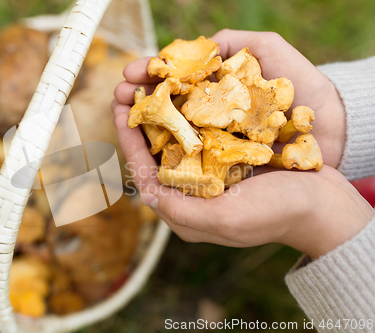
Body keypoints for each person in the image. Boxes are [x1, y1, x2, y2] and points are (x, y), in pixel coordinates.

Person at [112, 29, 375, 329]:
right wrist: (343, 116)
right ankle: (361, 189)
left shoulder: (251, 109)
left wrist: (324, 221)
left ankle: (359, 191)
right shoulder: (208, 100)